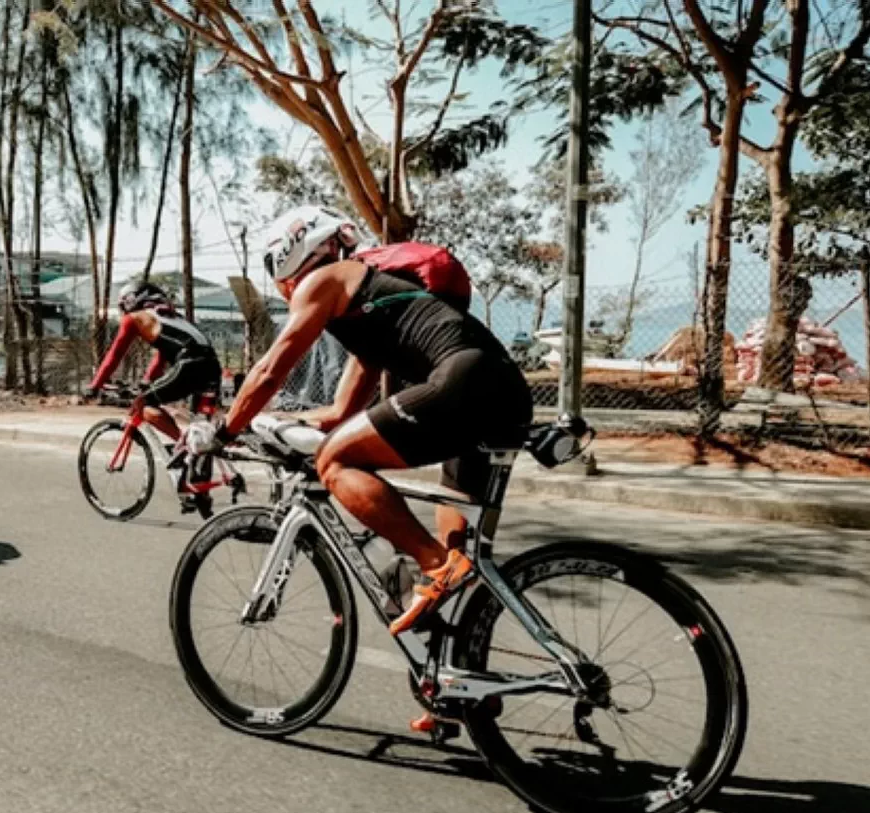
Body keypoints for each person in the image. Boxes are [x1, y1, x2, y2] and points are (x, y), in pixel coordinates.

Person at [194, 206, 534, 729]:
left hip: (462, 382)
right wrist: (323, 418)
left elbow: (270, 366)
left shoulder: (325, 279)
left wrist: (226, 430)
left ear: (293, 261)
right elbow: (352, 394)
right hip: (502, 393)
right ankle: (462, 689)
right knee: (462, 557)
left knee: (336, 462)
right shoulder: (371, 295)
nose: (285, 291)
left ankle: (433, 566)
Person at [84, 281, 223, 445]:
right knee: (201, 429)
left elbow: (114, 355)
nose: (123, 311)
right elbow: (161, 358)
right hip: (212, 367)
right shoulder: (171, 317)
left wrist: (95, 385)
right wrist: (147, 381)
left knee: (144, 404)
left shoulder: (134, 318)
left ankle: (182, 445)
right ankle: (202, 465)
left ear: (131, 301)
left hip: (190, 364)